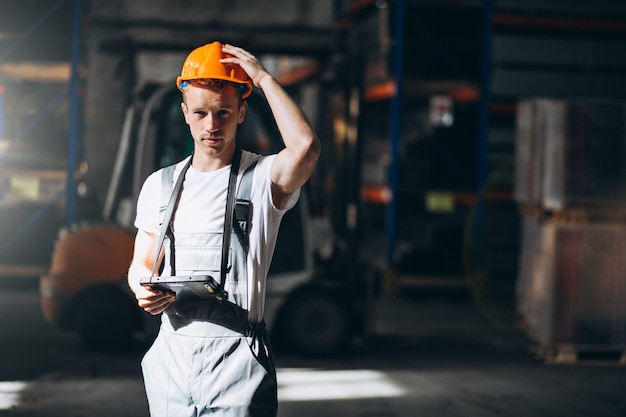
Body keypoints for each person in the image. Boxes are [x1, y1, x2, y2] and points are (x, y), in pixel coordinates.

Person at [127, 41, 320, 417]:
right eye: (200, 113)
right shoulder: (160, 186)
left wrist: (263, 77)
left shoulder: (263, 180)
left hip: (237, 357)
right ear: (185, 113)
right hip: (173, 353)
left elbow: (306, 147)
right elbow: (142, 261)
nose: (211, 125)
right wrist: (141, 287)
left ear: (242, 111)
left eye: (223, 112)